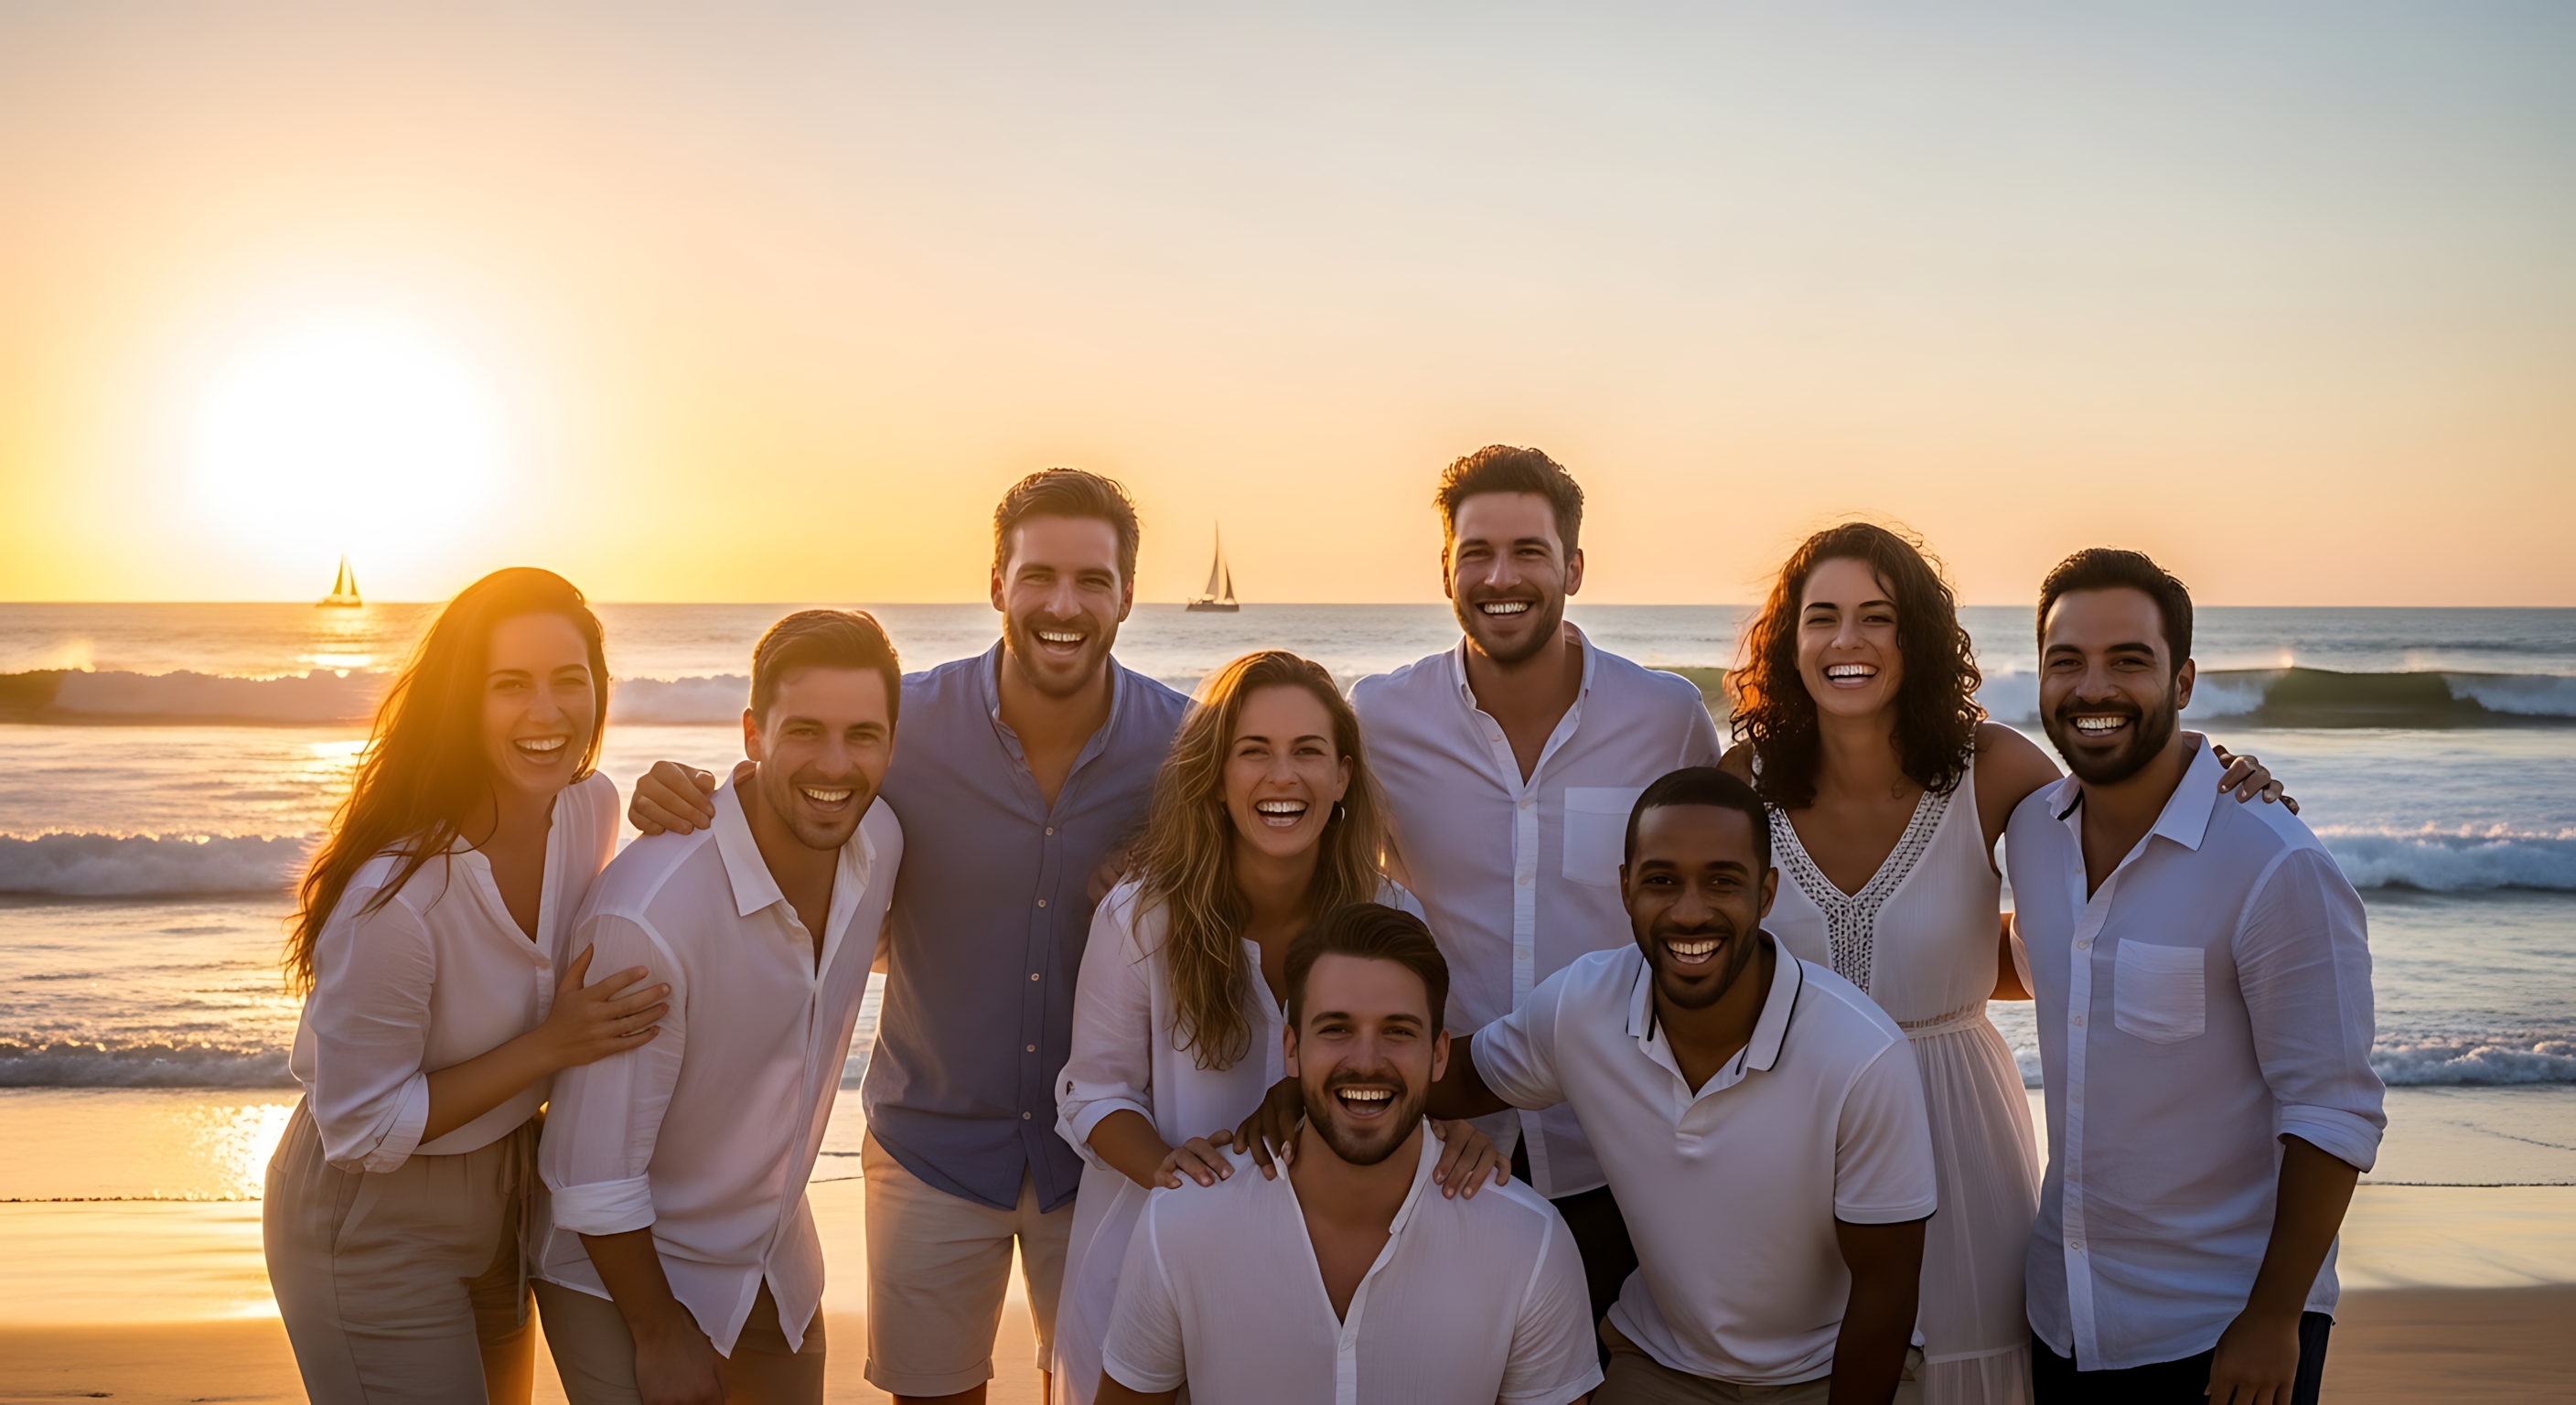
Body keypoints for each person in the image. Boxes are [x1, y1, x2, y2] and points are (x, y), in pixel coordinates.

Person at [624, 469, 1189, 1403]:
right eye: (1038, 575)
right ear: (997, 583)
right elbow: (792, 787)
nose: (1063, 603)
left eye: (1092, 580)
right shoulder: (900, 728)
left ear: (1126, 594)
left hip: (1106, 1156)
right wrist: (676, 788)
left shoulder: (1183, 749)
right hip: (930, 1148)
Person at [1719, 523, 2290, 1405]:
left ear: (1917, 639)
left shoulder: (1989, 768)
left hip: (1955, 1121)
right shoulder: (1742, 778)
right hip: (1792, 1123)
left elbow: (2120, 816)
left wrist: (2215, 768)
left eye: (1878, 617)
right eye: (1821, 617)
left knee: (1963, 1361)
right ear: (1789, 642)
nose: (1848, 641)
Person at [1243, 445, 1724, 1333]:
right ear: (1444, 569)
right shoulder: (1383, 717)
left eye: (1528, 552)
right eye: (1476, 553)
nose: (1500, 578)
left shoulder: (1663, 716)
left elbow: (1719, 907)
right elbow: (1304, 857)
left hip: (1623, 1156)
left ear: (1572, 567)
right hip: (1429, 1144)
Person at [1052, 651, 1506, 1405]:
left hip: (1320, 1285)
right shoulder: (1140, 916)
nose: (1281, 777)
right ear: (1217, 776)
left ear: (1343, 778)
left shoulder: (1392, 918)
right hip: (1146, 1264)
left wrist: (1446, 1128)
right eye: (1253, 751)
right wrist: (1172, 1171)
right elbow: (1091, 1093)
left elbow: (1399, 1078)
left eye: (1308, 752)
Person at [263, 567, 665, 1405]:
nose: (546, 712)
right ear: (461, 703)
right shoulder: (398, 897)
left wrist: (704, 798)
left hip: (515, 1186)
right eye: (508, 685)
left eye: (570, 680)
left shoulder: (591, 807)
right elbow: (362, 1125)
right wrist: (550, 1047)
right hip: (374, 1215)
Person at [1433, 767, 1937, 1405]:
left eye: (1722, 881)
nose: (1689, 911)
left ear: (1766, 893)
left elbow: (1886, 1290)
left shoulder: (1861, 1055)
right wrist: (1301, 1088)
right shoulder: (1580, 1007)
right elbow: (1452, 1079)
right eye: (1661, 881)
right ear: (1625, 889)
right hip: (1660, 1364)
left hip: (1828, 1371)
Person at [2007, 550, 2382, 1405]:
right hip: (2062, 1316)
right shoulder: (2032, 832)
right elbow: (2039, 965)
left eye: (2128, 661)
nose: (2091, 687)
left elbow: (2334, 1108)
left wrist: (2275, 1315)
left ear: (2182, 683)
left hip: (2221, 1331)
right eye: (2066, 661)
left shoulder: (2273, 861)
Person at [534, 609, 906, 1405]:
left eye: (863, 735)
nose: (835, 764)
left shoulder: (883, 848)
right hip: (628, 1280)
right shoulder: (650, 918)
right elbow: (591, 1173)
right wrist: (660, 1332)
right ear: (752, 733)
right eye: (803, 731)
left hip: (777, 1267)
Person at [1097, 903, 1601, 1405]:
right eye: (1336, 1029)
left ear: (1439, 1054)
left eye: (1398, 1031)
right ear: (1292, 1050)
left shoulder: (1529, 1243)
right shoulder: (1182, 1223)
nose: (1365, 1062)